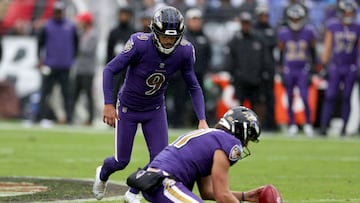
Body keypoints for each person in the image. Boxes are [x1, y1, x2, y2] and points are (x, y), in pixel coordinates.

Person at [92, 6, 209, 203]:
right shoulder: (140, 43)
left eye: (173, 37)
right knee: (121, 161)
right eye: (165, 36)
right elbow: (110, 70)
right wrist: (108, 104)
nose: (169, 41)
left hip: (154, 109)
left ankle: (133, 192)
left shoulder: (185, 51)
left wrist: (202, 119)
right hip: (128, 108)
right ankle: (102, 174)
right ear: (155, 32)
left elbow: (194, 85)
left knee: (160, 161)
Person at [126, 106, 264, 203]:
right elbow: (222, 196)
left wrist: (245, 196)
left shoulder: (210, 137)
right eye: (248, 138)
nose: (246, 144)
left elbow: (207, 191)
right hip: (166, 183)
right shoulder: (230, 143)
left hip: (153, 181)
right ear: (241, 130)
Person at [319, 0, 360, 136]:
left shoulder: (357, 27)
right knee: (330, 96)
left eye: (350, 12)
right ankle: (324, 126)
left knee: (347, 97)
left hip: (350, 67)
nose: (348, 14)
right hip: (336, 66)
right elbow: (328, 46)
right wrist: (324, 64)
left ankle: (344, 128)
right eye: (346, 12)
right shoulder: (333, 26)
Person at [35, 1, 78, 124]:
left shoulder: (70, 26)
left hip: (65, 65)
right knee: (45, 92)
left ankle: (69, 118)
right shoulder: (47, 26)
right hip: (50, 65)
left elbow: (76, 43)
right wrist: (40, 59)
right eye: (57, 12)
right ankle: (39, 117)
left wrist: (71, 58)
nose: (58, 14)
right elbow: (40, 44)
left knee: (67, 94)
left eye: (60, 12)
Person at [168, 7, 212, 128]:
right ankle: (178, 122)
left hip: (198, 74)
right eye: (193, 20)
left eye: (197, 20)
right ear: (188, 21)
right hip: (182, 74)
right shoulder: (182, 37)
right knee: (179, 99)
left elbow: (208, 55)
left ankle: (200, 122)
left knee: (199, 98)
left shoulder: (205, 38)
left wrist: (205, 70)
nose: (195, 22)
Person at [277, 3, 316, 137]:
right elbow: (281, 53)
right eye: (293, 18)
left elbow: (312, 51)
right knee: (289, 97)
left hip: (302, 69)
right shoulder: (283, 32)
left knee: (305, 97)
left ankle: (308, 123)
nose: (295, 21)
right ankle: (292, 124)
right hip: (289, 68)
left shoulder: (309, 32)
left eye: (297, 18)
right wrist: (280, 70)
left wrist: (313, 70)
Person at [224, 11, 268, 120]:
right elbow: (230, 59)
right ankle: (238, 125)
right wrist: (233, 74)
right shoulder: (235, 40)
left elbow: (264, 59)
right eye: (243, 23)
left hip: (255, 79)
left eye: (247, 23)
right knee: (239, 106)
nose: (245, 26)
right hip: (240, 80)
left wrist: (263, 74)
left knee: (256, 105)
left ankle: (256, 125)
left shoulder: (258, 39)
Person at [254, 4, 278, 132]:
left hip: (269, 68)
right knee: (257, 99)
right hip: (257, 69)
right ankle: (259, 123)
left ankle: (271, 123)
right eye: (261, 15)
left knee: (270, 98)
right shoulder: (254, 30)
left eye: (266, 15)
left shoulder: (271, 30)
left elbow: (275, 49)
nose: (264, 17)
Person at [71, 11, 98, 126]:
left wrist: (75, 46)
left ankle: (90, 118)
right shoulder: (82, 33)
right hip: (79, 69)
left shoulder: (93, 34)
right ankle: (70, 116)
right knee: (74, 94)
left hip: (88, 70)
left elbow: (86, 50)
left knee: (88, 96)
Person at [106, 6, 136, 107]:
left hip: (129, 68)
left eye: (125, 15)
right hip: (117, 67)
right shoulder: (114, 32)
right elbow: (109, 50)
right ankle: (112, 113)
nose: (123, 17)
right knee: (113, 92)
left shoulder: (134, 32)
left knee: (129, 93)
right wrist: (109, 66)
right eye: (121, 15)